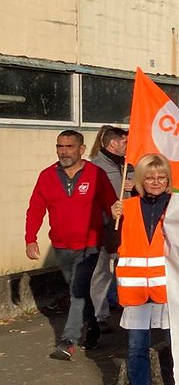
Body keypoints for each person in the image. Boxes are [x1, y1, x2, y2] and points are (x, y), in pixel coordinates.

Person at [26, 130, 118, 360]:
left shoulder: (96, 174)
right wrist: (30, 238)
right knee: (79, 291)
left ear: (81, 149)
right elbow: (35, 208)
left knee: (77, 291)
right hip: (61, 245)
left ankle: (68, 340)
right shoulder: (46, 176)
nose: (64, 151)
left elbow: (111, 206)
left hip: (90, 245)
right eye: (60, 146)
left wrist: (118, 233)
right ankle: (94, 329)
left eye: (69, 146)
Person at [110, 154, 177, 385]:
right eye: (149, 177)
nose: (156, 181)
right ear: (139, 179)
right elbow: (109, 243)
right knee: (137, 346)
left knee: (177, 343)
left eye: (161, 176)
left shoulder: (176, 206)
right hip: (136, 289)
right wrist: (111, 218)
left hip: (168, 287)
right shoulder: (125, 207)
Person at [88, 126, 130, 323]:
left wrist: (136, 184)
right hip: (104, 226)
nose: (128, 146)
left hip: (127, 225)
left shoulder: (129, 164)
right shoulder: (95, 167)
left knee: (126, 267)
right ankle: (100, 315)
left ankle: (125, 303)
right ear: (113, 144)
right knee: (101, 271)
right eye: (125, 142)